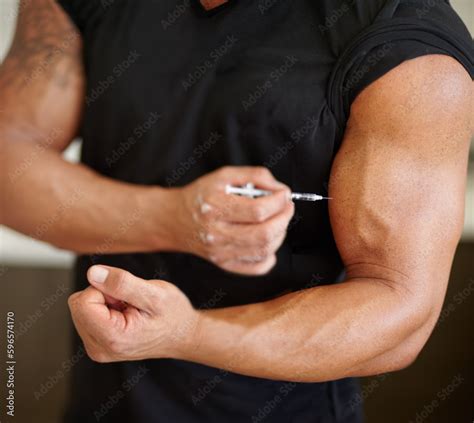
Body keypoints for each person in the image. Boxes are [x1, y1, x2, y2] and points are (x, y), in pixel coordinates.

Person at [1, 0, 472, 422]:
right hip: (102, 398)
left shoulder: (406, 40)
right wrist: (177, 220)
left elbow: (399, 309)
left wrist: (186, 335)